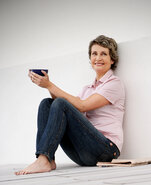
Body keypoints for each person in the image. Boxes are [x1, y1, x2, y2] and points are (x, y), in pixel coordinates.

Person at [15, 35, 125, 175]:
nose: (98, 58)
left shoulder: (114, 84)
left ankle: (43, 159)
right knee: (47, 104)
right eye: (94, 54)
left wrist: (50, 85)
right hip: (84, 153)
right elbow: (70, 108)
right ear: (90, 58)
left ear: (112, 59)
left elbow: (82, 106)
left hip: (106, 151)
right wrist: (47, 86)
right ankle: (48, 160)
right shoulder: (88, 89)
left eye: (103, 54)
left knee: (61, 103)